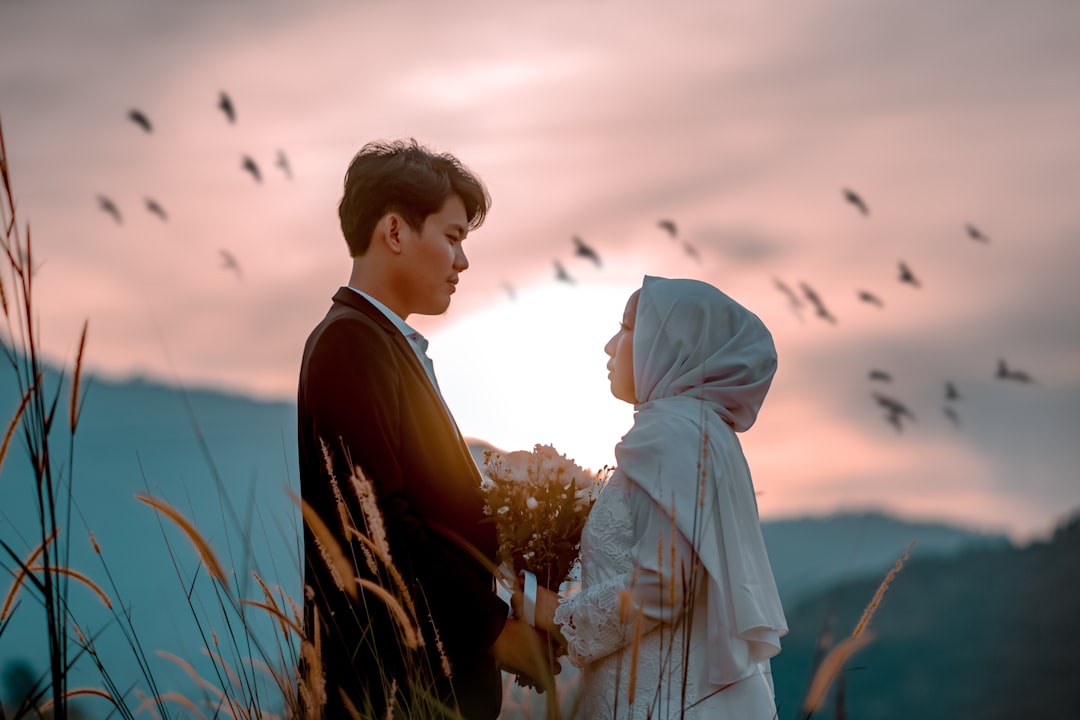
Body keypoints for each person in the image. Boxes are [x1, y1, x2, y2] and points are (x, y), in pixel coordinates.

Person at [297, 139, 548, 719]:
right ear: (394, 231)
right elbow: (377, 528)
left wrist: (527, 600)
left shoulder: (381, 344)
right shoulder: (349, 343)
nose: (463, 263)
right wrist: (501, 634)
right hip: (392, 692)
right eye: (454, 238)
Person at [527, 275, 789, 718]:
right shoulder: (706, 433)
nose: (610, 346)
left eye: (627, 328)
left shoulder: (670, 431)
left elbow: (666, 586)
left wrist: (555, 615)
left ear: (672, 343)